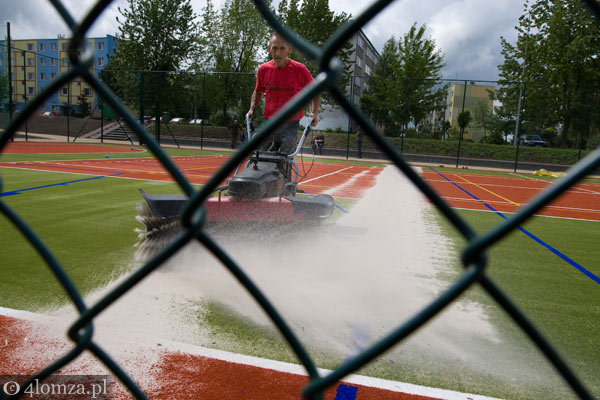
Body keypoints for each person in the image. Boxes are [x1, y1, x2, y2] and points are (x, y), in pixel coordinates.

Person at [246, 32, 320, 154]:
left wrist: (314, 113)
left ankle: (282, 170)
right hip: (270, 121)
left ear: (289, 49)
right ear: (269, 49)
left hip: (291, 122)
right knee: (261, 154)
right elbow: (258, 91)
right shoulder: (263, 70)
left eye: (282, 49)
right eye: (275, 48)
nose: (278, 53)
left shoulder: (299, 69)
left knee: (286, 154)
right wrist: (252, 109)